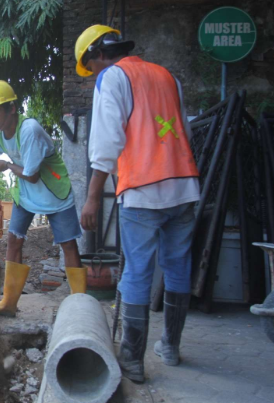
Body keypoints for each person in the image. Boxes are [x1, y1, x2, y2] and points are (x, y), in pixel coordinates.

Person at [75, 25, 200, 383]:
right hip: (184, 186)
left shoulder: (112, 78)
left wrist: (93, 197)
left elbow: (106, 142)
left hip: (143, 190)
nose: (93, 74)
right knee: (177, 266)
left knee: (137, 271)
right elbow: (184, 133)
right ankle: (171, 348)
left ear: (97, 55)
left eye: (91, 66)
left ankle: (132, 362)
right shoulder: (167, 77)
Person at [0, 80, 85, 318]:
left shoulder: (29, 130)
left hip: (52, 189)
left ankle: (79, 306)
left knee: (68, 243)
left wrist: (7, 165)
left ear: (12, 109)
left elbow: (32, 174)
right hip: (27, 194)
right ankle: (8, 303)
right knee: (13, 240)